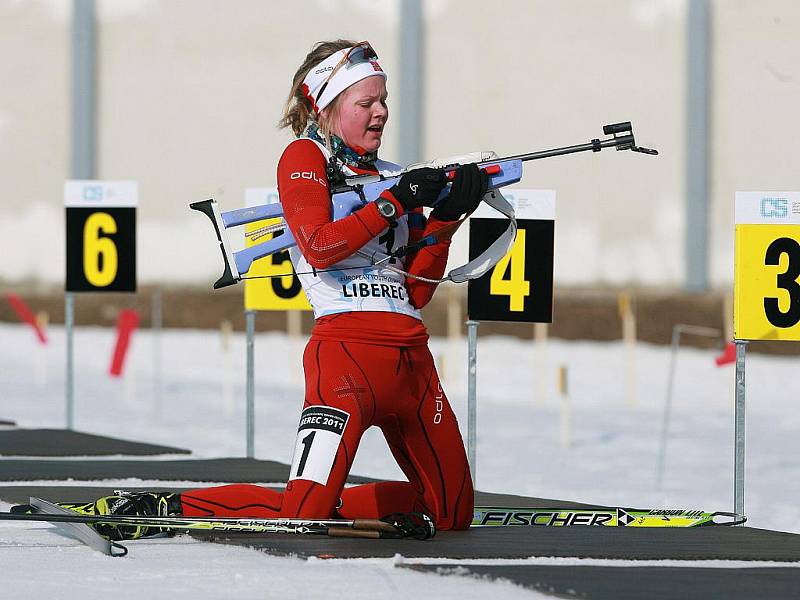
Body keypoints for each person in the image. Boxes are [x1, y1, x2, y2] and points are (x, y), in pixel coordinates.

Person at [29, 40, 488, 540]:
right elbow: (319, 246)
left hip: (412, 364)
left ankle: (338, 503)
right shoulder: (303, 158)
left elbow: (417, 293)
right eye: (365, 104)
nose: (380, 113)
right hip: (347, 363)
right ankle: (170, 505)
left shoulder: (395, 176)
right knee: (304, 516)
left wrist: (445, 219)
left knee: (451, 514)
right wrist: (396, 203)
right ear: (326, 107)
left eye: (384, 101)